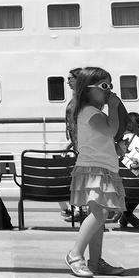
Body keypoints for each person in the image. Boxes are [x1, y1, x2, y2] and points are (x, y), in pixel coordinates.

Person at [63, 67, 126, 277]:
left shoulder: (94, 112)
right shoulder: (89, 111)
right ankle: (75, 254)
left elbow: (104, 138)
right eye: (104, 86)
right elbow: (111, 130)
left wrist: (116, 148)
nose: (109, 91)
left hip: (103, 167)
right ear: (87, 89)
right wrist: (114, 107)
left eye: (110, 85)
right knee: (99, 213)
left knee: (98, 217)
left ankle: (96, 261)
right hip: (93, 168)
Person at [59, 68, 82, 222]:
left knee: (79, 178)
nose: (67, 82)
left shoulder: (83, 99)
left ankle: (80, 210)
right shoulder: (78, 98)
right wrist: (70, 144)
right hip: (77, 146)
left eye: (70, 78)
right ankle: (78, 209)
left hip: (83, 147)